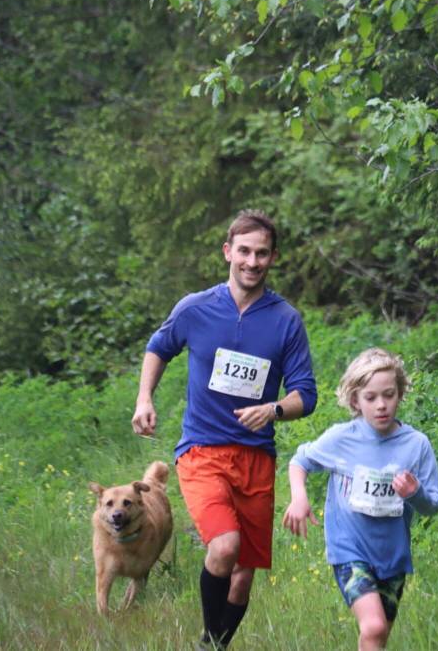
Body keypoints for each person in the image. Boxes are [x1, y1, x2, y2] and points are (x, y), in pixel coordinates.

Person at [131, 209, 317, 649]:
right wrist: (144, 398)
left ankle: (213, 644)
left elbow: (305, 395)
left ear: (273, 258)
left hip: (256, 458)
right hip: (202, 450)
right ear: (228, 252)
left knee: (242, 579)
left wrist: (272, 409)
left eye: (263, 253)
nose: (252, 261)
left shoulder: (285, 320)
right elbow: (159, 347)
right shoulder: (196, 308)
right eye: (245, 251)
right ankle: (208, 647)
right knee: (225, 546)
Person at [283, 348, 438, 651]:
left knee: (376, 637)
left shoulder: (416, 445)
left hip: (393, 557)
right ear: (355, 400)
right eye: (371, 398)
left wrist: (415, 493)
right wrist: (299, 497)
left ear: (400, 394)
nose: (381, 405)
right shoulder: (342, 438)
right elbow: (300, 461)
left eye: (389, 395)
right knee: (374, 626)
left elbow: (433, 505)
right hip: (350, 551)